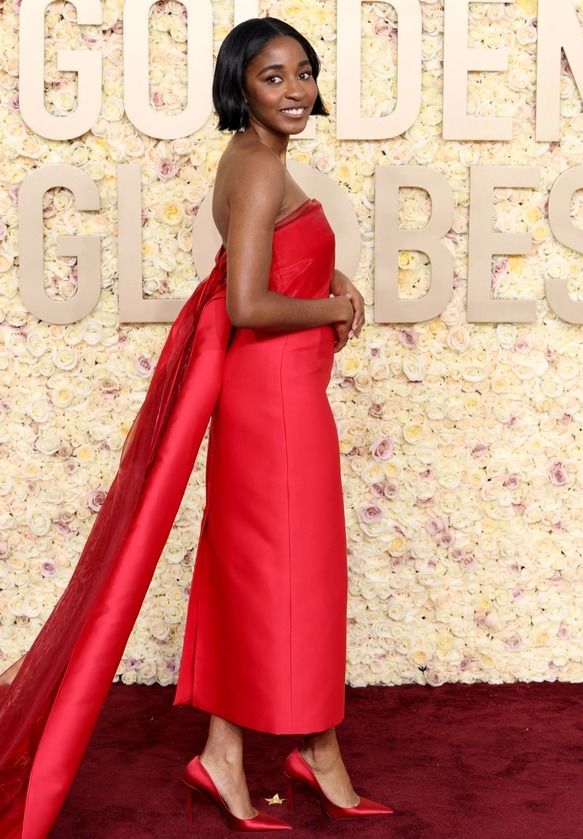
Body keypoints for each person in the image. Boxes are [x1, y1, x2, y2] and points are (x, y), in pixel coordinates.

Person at [0, 16, 393, 837]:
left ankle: (237, 752)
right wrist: (333, 309)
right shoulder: (257, 166)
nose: (296, 90)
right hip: (275, 405)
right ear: (239, 87)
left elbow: (262, 260)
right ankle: (312, 752)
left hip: (280, 397)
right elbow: (247, 303)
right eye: (273, 77)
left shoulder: (257, 159)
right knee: (293, 579)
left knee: (263, 575)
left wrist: (331, 275)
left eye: (304, 71)